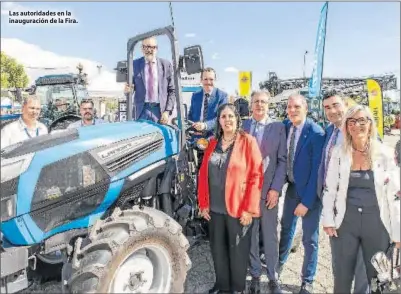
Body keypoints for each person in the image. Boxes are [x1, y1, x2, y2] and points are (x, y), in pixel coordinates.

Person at [322, 104, 400, 293]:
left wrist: (398, 233)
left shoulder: (386, 154)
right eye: (352, 121)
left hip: (377, 224)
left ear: (370, 124)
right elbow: (329, 189)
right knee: (341, 275)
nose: (357, 125)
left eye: (362, 120)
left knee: (379, 277)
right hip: (345, 223)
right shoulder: (338, 153)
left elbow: (395, 195)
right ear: (346, 126)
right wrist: (328, 219)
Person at [198, 103, 263, 294]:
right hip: (215, 209)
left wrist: (249, 209)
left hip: (238, 208)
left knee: (238, 252)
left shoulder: (248, 141)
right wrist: (203, 204)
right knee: (218, 250)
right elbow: (203, 176)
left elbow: (256, 176)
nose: (227, 120)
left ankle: (237, 289)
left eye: (231, 116)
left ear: (237, 120)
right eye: (223, 117)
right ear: (218, 121)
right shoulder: (212, 143)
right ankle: (222, 286)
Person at [316, 93, 369, 293]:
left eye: (335, 105)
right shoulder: (330, 131)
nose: (331, 111)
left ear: (345, 105)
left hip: (359, 208)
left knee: (362, 266)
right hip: (334, 208)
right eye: (327, 107)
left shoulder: (362, 130)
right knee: (340, 263)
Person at [278, 94, 325, 294]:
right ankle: (279, 264)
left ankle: (308, 280)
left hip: (310, 193)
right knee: (287, 228)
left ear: (305, 108)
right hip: (292, 188)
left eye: (297, 106)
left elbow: (317, 171)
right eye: (289, 107)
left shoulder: (316, 132)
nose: (292, 110)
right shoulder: (286, 126)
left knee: (310, 238)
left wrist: (306, 202)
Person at [243, 90, 287, 294]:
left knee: (270, 235)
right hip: (247, 192)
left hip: (269, 191)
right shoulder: (243, 126)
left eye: (263, 102)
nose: (259, 105)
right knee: (250, 234)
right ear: (250, 105)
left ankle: (273, 276)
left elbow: (282, 160)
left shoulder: (278, 127)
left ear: (269, 105)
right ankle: (254, 274)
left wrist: (276, 189)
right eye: (256, 102)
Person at [124, 37, 175, 123]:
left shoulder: (166, 65)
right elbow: (130, 88)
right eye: (147, 47)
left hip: (160, 111)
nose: (149, 50)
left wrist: (167, 111)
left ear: (157, 48)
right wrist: (127, 91)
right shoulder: (134, 65)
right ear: (142, 48)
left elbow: (172, 91)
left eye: (153, 47)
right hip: (142, 110)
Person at [188, 67, 228, 138]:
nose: (208, 82)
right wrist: (192, 128)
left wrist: (205, 125)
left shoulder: (222, 96)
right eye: (205, 79)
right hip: (195, 136)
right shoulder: (195, 96)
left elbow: (222, 117)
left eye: (211, 79)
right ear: (201, 80)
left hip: (213, 137)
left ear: (215, 80)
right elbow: (191, 115)